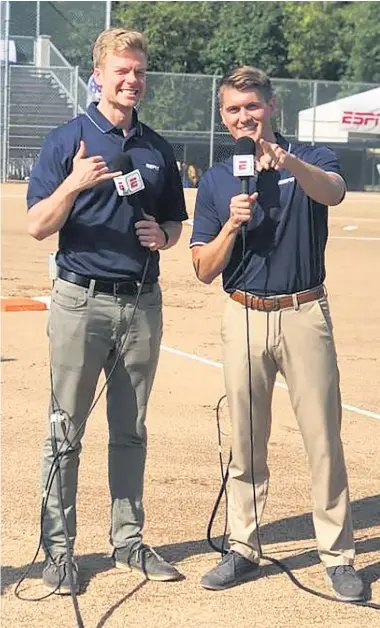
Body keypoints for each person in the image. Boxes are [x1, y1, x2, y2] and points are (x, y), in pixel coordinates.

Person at [190, 66, 364, 602]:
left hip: (304, 311)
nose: (244, 117)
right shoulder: (219, 179)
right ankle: (243, 546)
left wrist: (286, 160)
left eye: (252, 107)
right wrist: (230, 225)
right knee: (245, 442)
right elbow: (202, 267)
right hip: (242, 313)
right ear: (223, 117)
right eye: (233, 110)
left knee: (322, 440)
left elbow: (333, 192)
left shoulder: (309, 155)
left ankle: (337, 555)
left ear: (272, 107)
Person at [27, 27, 188, 594]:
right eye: (121, 71)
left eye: (139, 71)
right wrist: (72, 183)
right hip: (79, 302)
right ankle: (59, 553)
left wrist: (162, 236)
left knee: (131, 431)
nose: (132, 80)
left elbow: (175, 221)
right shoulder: (66, 140)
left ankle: (128, 541)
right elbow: (36, 225)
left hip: (142, 304)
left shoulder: (157, 148)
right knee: (64, 431)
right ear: (97, 75)